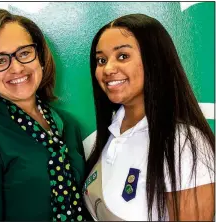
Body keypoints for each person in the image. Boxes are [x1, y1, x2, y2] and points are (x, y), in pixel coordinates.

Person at [0, 9, 88, 221]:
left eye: (24, 53)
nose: (16, 68)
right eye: (0, 60)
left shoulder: (67, 125)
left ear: (40, 57)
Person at [83, 13, 215, 221]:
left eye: (123, 56)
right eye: (101, 60)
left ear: (155, 60)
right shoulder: (112, 132)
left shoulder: (183, 143)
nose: (107, 69)